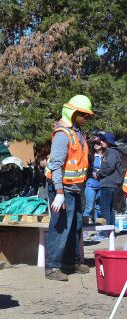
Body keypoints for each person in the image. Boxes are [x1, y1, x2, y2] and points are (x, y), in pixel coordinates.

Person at [44, 95, 93, 281]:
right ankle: (52, 268)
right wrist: (58, 193)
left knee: (76, 225)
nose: (85, 118)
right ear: (73, 113)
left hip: (76, 188)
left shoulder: (77, 133)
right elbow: (56, 165)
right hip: (62, 189)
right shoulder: (63, 135)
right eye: (83, 115)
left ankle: (70, 262)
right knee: (60, 227)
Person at [94, 132, 123, 238]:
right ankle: (111, 232)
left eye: (103, 140)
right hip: (111, 184)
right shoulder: (112, 152)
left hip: (108, 184)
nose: (101, 142)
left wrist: (98, 173)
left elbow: (109, 167)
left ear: (108, 142)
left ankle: (105, 233)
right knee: (110, 209)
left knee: (105, 208)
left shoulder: (111, 153)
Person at [83, 136, 103, 224]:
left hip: (102, 184)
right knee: (89, 207)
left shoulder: (106, 155)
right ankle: (83, 231)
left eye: (98, 143)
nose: (96, 145)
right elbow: (86, 169)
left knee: (98, 207)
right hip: (91, 184)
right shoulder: (90, 156)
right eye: (94, 143)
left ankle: (98, 229)